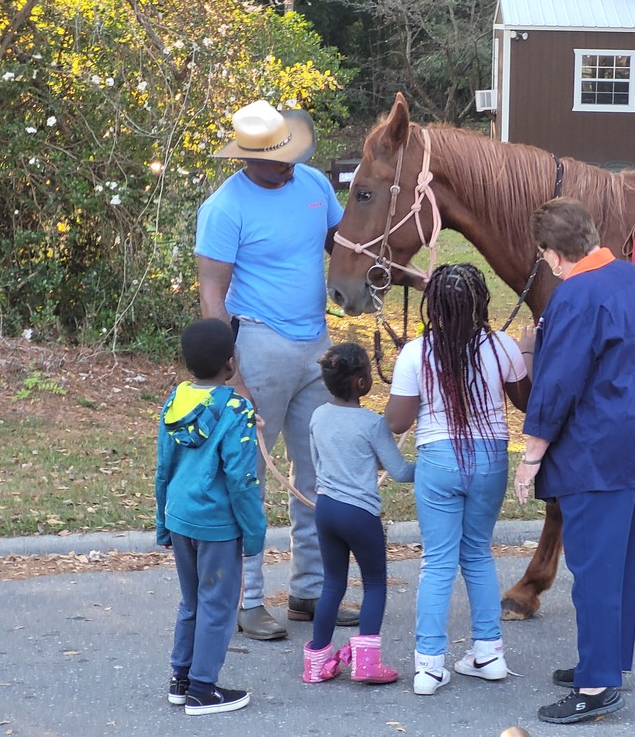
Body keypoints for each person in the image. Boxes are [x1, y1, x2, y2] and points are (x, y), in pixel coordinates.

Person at [196, 99, 358, 641]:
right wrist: (230, 370)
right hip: (258, 343)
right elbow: (212, 292)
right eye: (274, 159)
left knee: (316, 473)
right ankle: (246, 599)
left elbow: (348, 246)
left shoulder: (313, 184)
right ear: (246, 157)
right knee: (249, 475)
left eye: (289, 154)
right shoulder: (224, 208)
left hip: (317, 342)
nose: (286, 165)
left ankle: (309, 591)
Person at [512, 197, 635, 724]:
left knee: (595, 570)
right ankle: (606, 661)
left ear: (552, 255)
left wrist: (530, 456)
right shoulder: (630, 277)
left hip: (596, 450)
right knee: (624, 563)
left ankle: (597, 687)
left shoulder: (572, 296)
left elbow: (558, 383)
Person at [385, 263, 532, 696]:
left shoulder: (416, 352)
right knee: (479, 554)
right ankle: (489, 653)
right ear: (481, 302)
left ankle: (429, 666)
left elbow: (396, 421)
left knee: (437, 563)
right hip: (490, 460)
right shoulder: (501, 346)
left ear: (434, 306)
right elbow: (524, 402)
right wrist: (525, 353)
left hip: (438, 459)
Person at [155, 318, 267, 715]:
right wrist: (255, 532)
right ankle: (203, 690)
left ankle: (181, 678)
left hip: (180, 518)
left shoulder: (176, 400)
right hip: (218, 527)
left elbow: (163, 467)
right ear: (231, 364)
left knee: (192, 602)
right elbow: (241, 479)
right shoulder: (236, 408)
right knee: (218, 606)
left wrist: (161, 522)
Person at [302, 342, 416, 685]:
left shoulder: (318, 415)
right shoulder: (371, 423)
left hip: (326, 510)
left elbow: (320, 460)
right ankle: (366, 664)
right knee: (375, 583)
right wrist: (428, 466)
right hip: (360, 514)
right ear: (362, 383)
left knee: (333, 585)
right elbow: (398, 471)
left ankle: (316, 663)